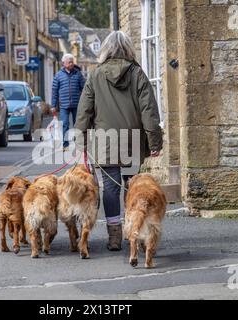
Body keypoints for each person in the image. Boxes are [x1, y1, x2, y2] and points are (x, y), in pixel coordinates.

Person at [75, 31, 163, 251]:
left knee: (110, 189)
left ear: (105, 49)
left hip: (105, 141)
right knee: (131, 187)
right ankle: (134, 229)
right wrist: (155, 142)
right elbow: (149, 112)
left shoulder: (95, 76)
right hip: (132, 141)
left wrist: (81, 142)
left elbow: (84, 112)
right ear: (128, 49)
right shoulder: (138, 74)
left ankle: (114, 236)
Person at [51, 54, 86, 151]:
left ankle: (77, 143)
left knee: (77, 124)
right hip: (63, 105)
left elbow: (84, 88)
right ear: (64, 63)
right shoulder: (58, 75)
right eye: (69, 62)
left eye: (72, 61)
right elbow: (54, 91)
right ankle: (65, 145)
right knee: (65, 124)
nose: (72, 64)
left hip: (76, 104)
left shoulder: (78, 74)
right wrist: (53, 105)